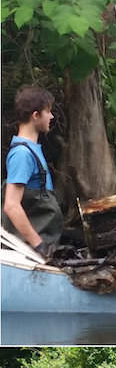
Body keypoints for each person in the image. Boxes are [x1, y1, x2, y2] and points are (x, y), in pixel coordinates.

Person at [2, 86, 62, 256]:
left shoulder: (32, 149)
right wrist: (39, 245)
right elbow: (11, 205)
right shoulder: (22, 154)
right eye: (48, 111)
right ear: (35, 115)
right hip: (28, 252)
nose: (51, 116)